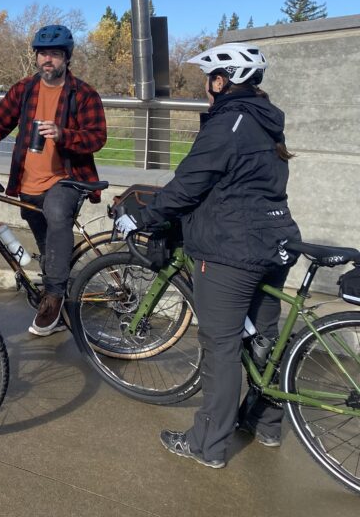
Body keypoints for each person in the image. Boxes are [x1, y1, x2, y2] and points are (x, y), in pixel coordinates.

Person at [116, 42, 301, 469]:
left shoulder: (228, 122)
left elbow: (188, 185)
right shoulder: (266, 121)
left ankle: (206, 445)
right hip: (275, 241)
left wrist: (141, 218)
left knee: (221, 347)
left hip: (231, 250)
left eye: (209, 79)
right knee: (264, 340)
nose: (205, 87)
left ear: (224, 81)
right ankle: (265, 424)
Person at [0, 24, 106, 336]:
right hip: (28, 182)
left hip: (68, 179)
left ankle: (54, 299)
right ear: (36, 57)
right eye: (43, 54)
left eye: (56, 54)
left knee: (58, 214)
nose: (48, 60)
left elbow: (97, 137)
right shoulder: (24, 90)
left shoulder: (83, 94)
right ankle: (56, 304)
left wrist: (64, 135)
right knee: (48, 249)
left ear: (66, 58)